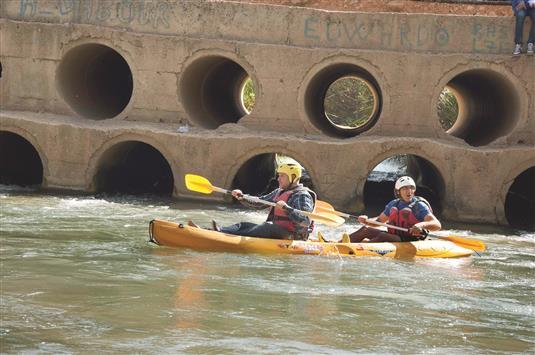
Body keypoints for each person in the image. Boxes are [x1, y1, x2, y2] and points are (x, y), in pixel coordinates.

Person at [215, 163, 316, 240]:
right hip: (276, 229)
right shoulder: (279, 191)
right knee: (244, 225)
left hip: (293, 235)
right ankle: (219, 231)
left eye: (282, 176)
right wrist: (242, 197)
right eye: (278, 175)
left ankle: (226, 237)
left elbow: (305, 221)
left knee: (267, 227)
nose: (278, 179)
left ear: (293, 178)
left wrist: (287, 209)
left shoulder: (302, 195)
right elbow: (259, 203)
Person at [349, 176, 441, 243]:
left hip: (411, 239)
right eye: (405, 188)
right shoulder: (393, 204)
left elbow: (437, 225)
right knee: (366, 229)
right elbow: (379, 221)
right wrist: (367, 221)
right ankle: (337, 244)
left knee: (383, 236)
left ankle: (361, 248)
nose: (409, 191)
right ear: (398, 191)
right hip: (394, 236)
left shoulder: (419, 206)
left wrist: (421, 225)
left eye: (411, 188)